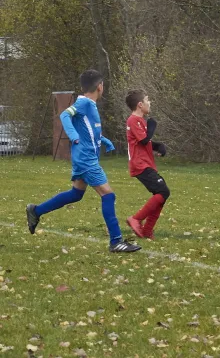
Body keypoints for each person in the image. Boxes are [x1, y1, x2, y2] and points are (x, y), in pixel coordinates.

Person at [26, 69, 141, 253]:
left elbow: (89, 129)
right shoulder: (84, 103)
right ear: (100, 86)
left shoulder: (90, 105)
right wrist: (72, 135)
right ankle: (116, 241)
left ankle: (36, 211)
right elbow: (64, 115)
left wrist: (103, 140)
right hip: (86, 159)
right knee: (108, 195)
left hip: (84, 157)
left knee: (75, 194)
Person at [124, 89, 169, 240]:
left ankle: (147, 231)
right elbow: (144, 140)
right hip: (140, 165)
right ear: (140, 105)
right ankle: (136, 219)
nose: (150, 103)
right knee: (163, 192)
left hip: (146, 164)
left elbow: (146, 142)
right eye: (147, 100)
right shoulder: (133, 120)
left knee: (161, 194)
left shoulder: (140, 121)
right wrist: (152, 126)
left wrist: (159, 146)